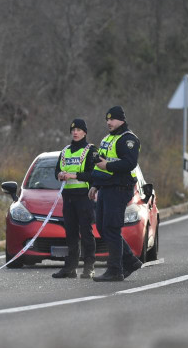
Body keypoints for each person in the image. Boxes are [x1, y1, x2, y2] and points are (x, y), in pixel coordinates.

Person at [88, 106, 143, 282]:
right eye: (107, 119)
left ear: (122, 120)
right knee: (104, 228)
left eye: (112, 119)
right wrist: (95, 185)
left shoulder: (129, 139)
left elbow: (130, 163)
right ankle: (130, 261)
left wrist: (108, 166)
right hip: (106, 187)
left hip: (120, 188)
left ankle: (115, 270)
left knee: (111, 228)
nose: (109, 122)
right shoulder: (107, 139)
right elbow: (101, 163)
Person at [53, 119, 100, 279]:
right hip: (68, 198)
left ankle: (89, 267)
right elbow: (57, 171)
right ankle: (70, 267)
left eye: (79, 129)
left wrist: (74, 175)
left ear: (85, 132)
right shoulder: (65, 151)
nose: (75, 132)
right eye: (73, 129)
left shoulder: (91, 150)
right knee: (70, 233)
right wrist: (60, 175)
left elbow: (93, 174)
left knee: (86, 232)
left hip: (84, 197)